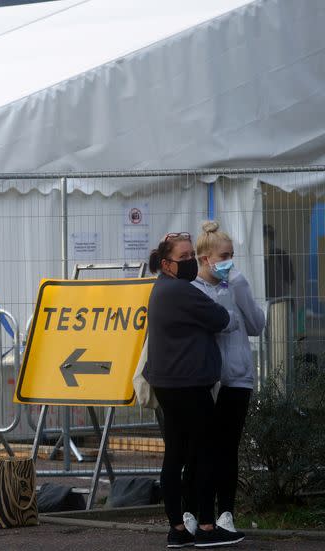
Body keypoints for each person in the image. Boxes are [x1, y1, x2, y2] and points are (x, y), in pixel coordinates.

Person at [143, 231, 245, 548]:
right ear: (166, 263)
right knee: (205, 453)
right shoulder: (181, 292)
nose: (189, 262)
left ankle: (177, 529)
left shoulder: (161, 288)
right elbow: (222, 319)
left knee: (175, 455)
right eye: (183, 258)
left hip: (168, 384)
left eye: (191, 256)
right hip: (189, 385)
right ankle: (206, 527)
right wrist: (227, 309)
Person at [183, 221, 265, 535]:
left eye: (232, 254)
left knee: (227, 448)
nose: (230, 261)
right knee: (197, 448)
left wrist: (241, 291)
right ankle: (191, 511)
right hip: (204, 380)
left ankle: (225, 513)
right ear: (205, 259)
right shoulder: (191, 290)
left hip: (237, 379)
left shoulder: (237, 283)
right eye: (225, 255)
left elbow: (257, 325)